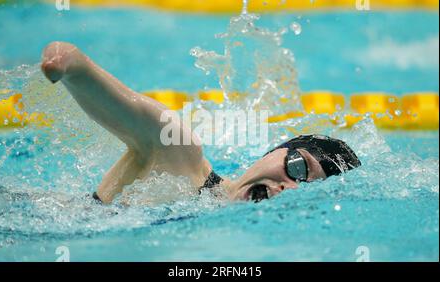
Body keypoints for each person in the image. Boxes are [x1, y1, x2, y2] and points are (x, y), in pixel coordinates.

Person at [41, 41, 361, 204]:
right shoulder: (180, 156)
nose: (288, 187)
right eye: (298, 167)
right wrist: (67, 63)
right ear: (276, 150)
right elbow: (112, 94)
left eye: (306, 191)